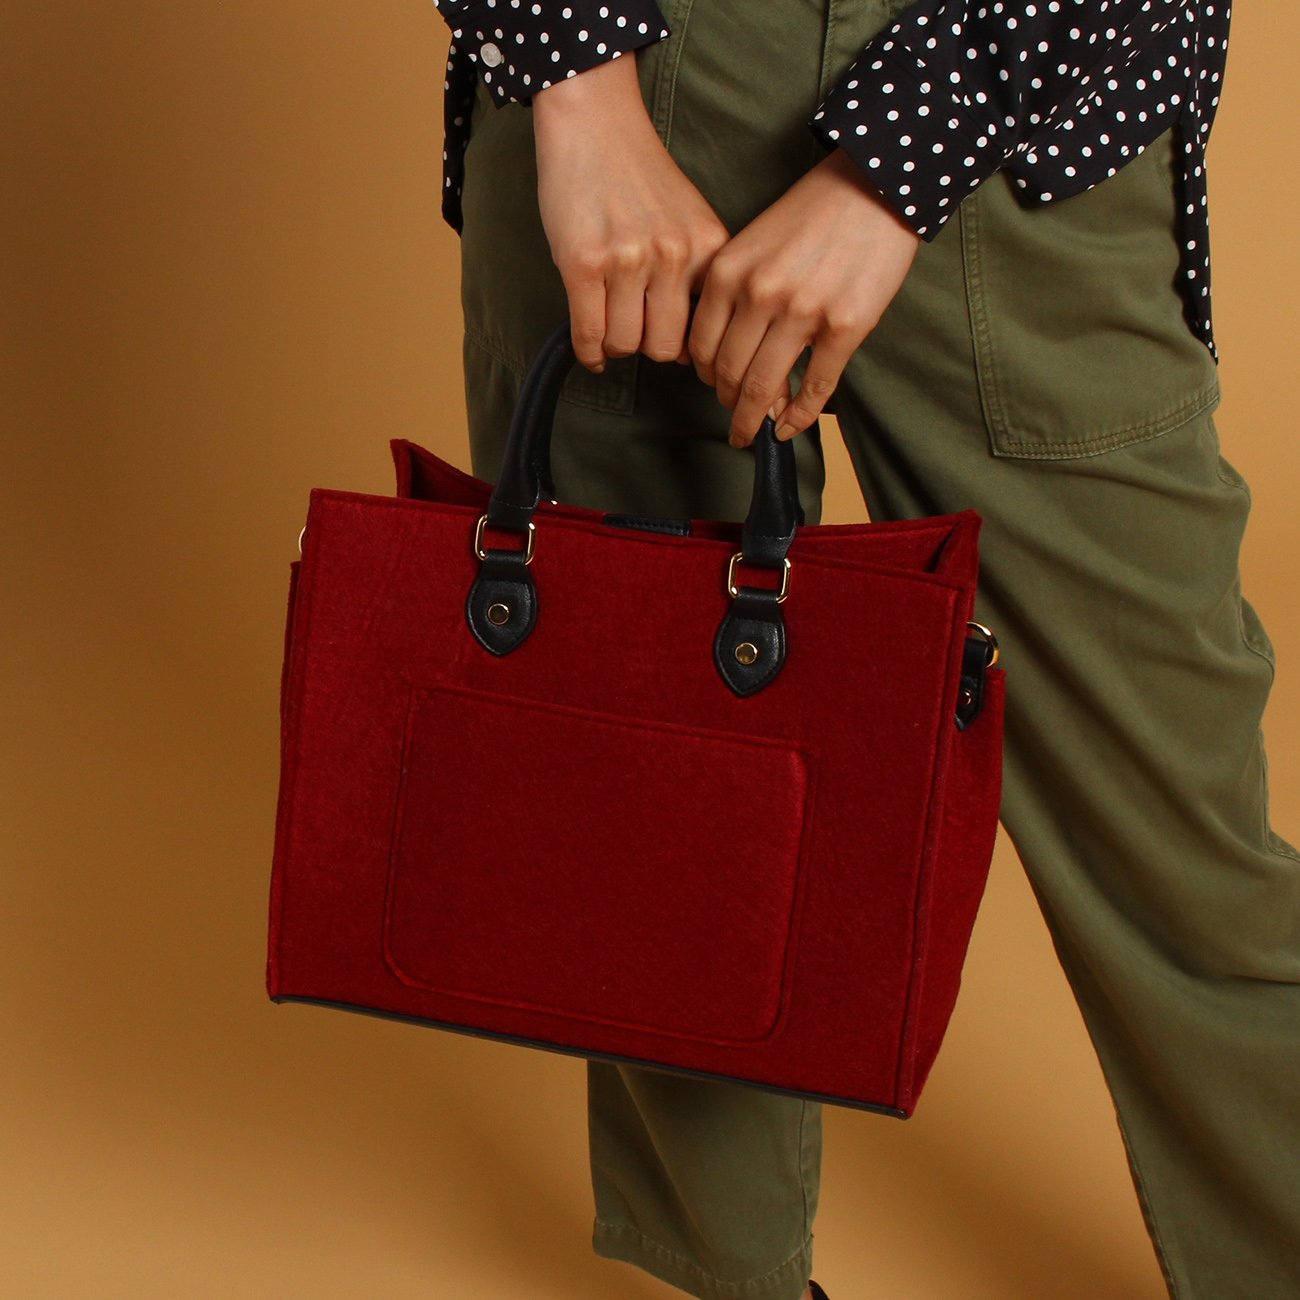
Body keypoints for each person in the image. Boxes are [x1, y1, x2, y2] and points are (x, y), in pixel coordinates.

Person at [429, 1, 1300, 1296]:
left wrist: (897, 163)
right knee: (667, 798)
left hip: (1029, 97)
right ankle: (732, 1277)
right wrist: (578, 85)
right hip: (623, 73)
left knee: (1178, 823)